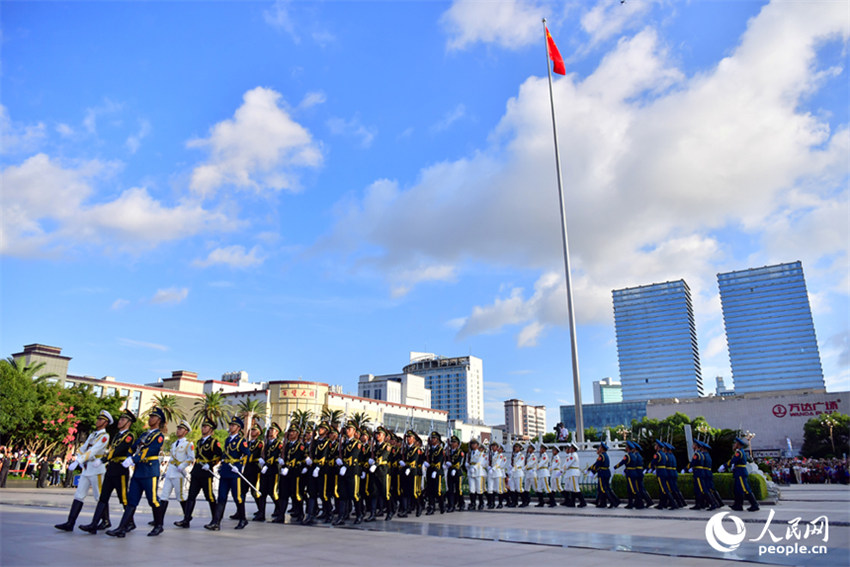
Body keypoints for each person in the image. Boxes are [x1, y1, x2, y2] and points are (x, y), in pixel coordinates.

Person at [106, 407, 167, 537]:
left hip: (150, 471)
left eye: (153, 417)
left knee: (153, 500)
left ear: (158, 420)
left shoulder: (159, 436)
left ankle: (159, 525)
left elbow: (149, 451)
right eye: (150, 416)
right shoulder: (144, 435)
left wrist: (133, 459)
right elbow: (133, 447)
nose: (150, 418)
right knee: (131, 500)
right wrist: (129, 456)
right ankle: (122, 528)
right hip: (139, 471)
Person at [79, 409, 137, 534]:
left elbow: (118, 451)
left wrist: (103, 459)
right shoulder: (117, 435)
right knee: (103, 497)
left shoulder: (129, 436)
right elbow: (112, 450)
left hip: (120, 469)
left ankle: (130, 522)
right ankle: (94, 524)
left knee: (123, 498)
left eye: (123, 420)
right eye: (120, 419)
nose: (119, 421)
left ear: (128, 422)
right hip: (111, 468)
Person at [55, 409, 113, 532]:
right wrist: (77, 457)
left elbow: (93, 450)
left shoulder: (104, 436)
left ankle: (105, 521)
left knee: (99, 497)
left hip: (96, 469)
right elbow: (84, 448)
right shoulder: (93, 434)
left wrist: (78, 461)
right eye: (98, 419)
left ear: (105, 423)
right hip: (87, 468)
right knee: (79, 495)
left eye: (101, 420)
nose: (98, 421)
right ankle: (70, 523)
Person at [203, 415, 251, 531]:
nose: (230, 427)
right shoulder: (228, 440)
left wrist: (240, 467)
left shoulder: (241, 441)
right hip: (225, 472)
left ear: (238, 428)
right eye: (230, 425)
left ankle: (243, 519)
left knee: (237, 497)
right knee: (221, 497)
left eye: (233, 425)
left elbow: (247, 455)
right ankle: (216, 522)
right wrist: (221, 465)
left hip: (235, 473)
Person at [174, 417, 221, 529]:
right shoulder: (199, 442)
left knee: (209, 496)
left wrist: (210, 464)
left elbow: (219, 455)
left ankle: (216, 521)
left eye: (205, 427)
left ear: (210, 429)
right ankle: (186, 520)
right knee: (191, 496)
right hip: (196, 472)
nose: (203, 428)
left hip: (206, 472)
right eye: (203, 426)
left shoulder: (214, 442)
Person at [161, 420, 195, 524]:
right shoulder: (173, 444)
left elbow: (191, 458)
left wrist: (183, 465)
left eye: (181, 429)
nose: (178, 430)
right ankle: (158, 520)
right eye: (178, 428)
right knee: (164, 496)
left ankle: (187, 518)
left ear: (186, 431)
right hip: (170, 472)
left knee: (180, 496)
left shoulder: (188, 444)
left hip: (179, 474)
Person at [301, 421, 331, 526]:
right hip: (312, 468)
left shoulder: (328, 442)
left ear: (326, 431)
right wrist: (308, 460)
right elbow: (309, 452)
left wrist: (318, 468)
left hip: (322, 470)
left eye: (322, 428)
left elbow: (324, 456)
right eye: (319, 428)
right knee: (311, 493)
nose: (320, 430)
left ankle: (328, 513)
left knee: (323, 494)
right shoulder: (315, 441)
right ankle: (310, 514)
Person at [333, 419, 362, 525]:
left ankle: (359, 515)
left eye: (349, 429)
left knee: (354, 495)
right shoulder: (343, 443)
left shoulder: (357, 443)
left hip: (352, 471)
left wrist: (344, 465)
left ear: (354, 431)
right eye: (347, 429)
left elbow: (353, 456)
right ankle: (341, 516)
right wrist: (338, 459)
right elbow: (338, 453)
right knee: (342, 495)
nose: (347, 431)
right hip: (342, 471)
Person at [275, 423, 305, 525]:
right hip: (285, 473)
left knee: (296, 494)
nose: (290, 433)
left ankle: (300, 513)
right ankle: (280, 515)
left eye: (293, 432)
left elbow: (297, 458)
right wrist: (281, 461)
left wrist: (288, 467)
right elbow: (283, 455)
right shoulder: (287, 445)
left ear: (297, 433)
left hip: (294, 473)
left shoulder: (300, 446)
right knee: (283, 494)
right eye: (290, 432)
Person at [259, 422, 283, 523]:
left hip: (273, 470)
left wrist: (267, 464)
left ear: (277, 432)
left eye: (273, 430)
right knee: (262, 492)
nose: (270, 432)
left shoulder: (279, 444)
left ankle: (279, 508)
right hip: (264, 470)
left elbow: (275, 455)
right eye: (270, 430)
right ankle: (261, 513)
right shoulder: (266, 443)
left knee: (273, 492)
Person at [242, 421, 265, 522]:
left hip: (255, 468)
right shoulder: (248, 443)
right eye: (251, 430)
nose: (252, 431)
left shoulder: (260, 443)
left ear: (259, 432)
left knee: (255, 491)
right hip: (247, 468)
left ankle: (261, 512)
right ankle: (240, 512)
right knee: (242, 490)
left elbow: (254, 454)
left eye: (254, 430)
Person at [729, 437, 760, 512]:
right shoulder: (739, 452)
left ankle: (754, 505)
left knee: (745, 489)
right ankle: (738, 505)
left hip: (740, 473)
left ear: (738, 444)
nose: (734, 444)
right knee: (738, 490)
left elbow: (733, 460)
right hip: (738, 472)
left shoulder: (739, 452)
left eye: (735, 443)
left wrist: (725, 465)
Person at [589, 442, 619, 508]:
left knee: (603, 489)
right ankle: (604, 503)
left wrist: (593, 472)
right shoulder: (605, 455)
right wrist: (589, 469)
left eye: (599, 447)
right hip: (606, 472)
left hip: (602, 473)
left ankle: (613, 502)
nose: (598, 449)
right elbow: (596, 464)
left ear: (602, 448)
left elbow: (597, 465)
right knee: (606, 488)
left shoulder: (601, 456)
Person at [423, 431, 444, 515]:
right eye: (432, 438)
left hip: (437, 471)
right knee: (430, 490)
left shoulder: (440, 449)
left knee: (437, 491)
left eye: (434, 438)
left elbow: (439, 461)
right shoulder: (429, 449)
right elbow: (426, 457)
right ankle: (431, 507)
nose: (432, 439)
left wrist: (435, 470)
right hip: (430, 470)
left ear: (438, 440)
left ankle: (442, 505)